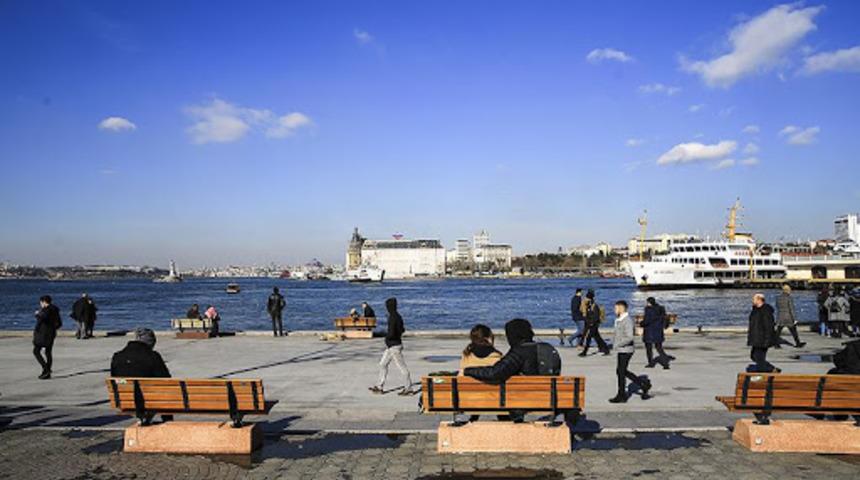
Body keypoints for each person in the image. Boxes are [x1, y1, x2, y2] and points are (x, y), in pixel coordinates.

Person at [110, 327, 172, 424]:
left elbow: (114, 378)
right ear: (150, 342)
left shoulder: (117, 356)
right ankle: (168, 422)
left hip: (125, 400)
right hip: (148, 400)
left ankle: (144, 419)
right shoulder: (153, 356)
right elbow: (166, 380)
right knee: (166, 391)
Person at [369, 298, 415, 395]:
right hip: (392, 346)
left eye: (387, 306)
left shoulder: (393, 318)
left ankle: (409, 388)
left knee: (402, 367)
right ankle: (379, 386)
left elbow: (391, 333)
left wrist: (386, 336)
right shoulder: (398, 317)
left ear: (389, 307)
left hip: (394, 347)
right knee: (382, 364)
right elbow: (402, 330)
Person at [610, 301, 651, 403]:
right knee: (621, 371)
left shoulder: (627, 320)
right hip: (621, 349)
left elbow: (629, 337)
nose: (614, 310)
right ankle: (642, 384)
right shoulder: (619, 319)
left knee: (620, 372)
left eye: (615, 308)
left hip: (626, 350)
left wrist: (617, 344)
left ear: (621, 308)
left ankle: (622, 395)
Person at [748, 293, 780, 373]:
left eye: (754, 299)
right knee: (754, 356)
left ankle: (769, 370)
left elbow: (769, 326)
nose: (752, 301)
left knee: (759, 358)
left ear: (759, 299)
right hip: (756, 338)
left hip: (762, 339)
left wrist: (767, 340)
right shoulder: (755, 310)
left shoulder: (766, 311)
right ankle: (771, 368)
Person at [33, 295, 61, 379]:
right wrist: (53, 328)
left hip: (43, 334)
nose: (40, 304)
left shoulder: (46, 310)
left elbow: (42, 319)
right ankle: (47, 372)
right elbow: (59, 323)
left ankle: (46, 369)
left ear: (44, 302)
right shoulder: (55, 310)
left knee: (36, 351)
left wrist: (37, 315)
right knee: (48, 352)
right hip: (51, 334)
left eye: (41, 303)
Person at [641, 297, 671, 369]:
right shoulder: (661, 309)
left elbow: (647, 320)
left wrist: (641, 323)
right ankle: (665, 364)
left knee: (649, 349)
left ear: (649, 303)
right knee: (659, 348)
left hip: (649, 332)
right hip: (658, 331)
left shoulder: (648, 310)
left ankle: (651, 363)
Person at [579, 290, 610, 357]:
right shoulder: (588, 305)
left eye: (587, 298)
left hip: (594, 324)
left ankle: (585, 352)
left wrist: (591, 323)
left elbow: (596, 316)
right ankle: (605, 349)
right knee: (597, 338)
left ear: (590, 299)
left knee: (589, 338)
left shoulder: (594, 306)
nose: (585, 299)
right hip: (590, 324)